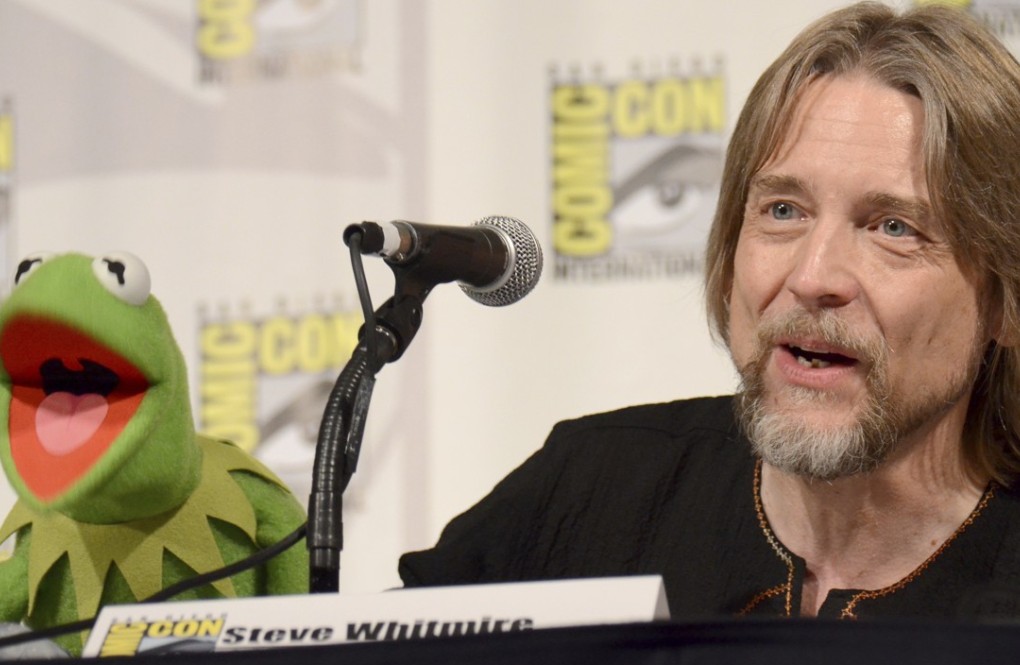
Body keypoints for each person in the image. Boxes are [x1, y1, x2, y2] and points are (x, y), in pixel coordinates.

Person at [399, 2, 1020, 619]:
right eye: (783, 211)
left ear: (1003, 299)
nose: (812, 277)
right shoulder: (592, 489)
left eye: (893, 227)